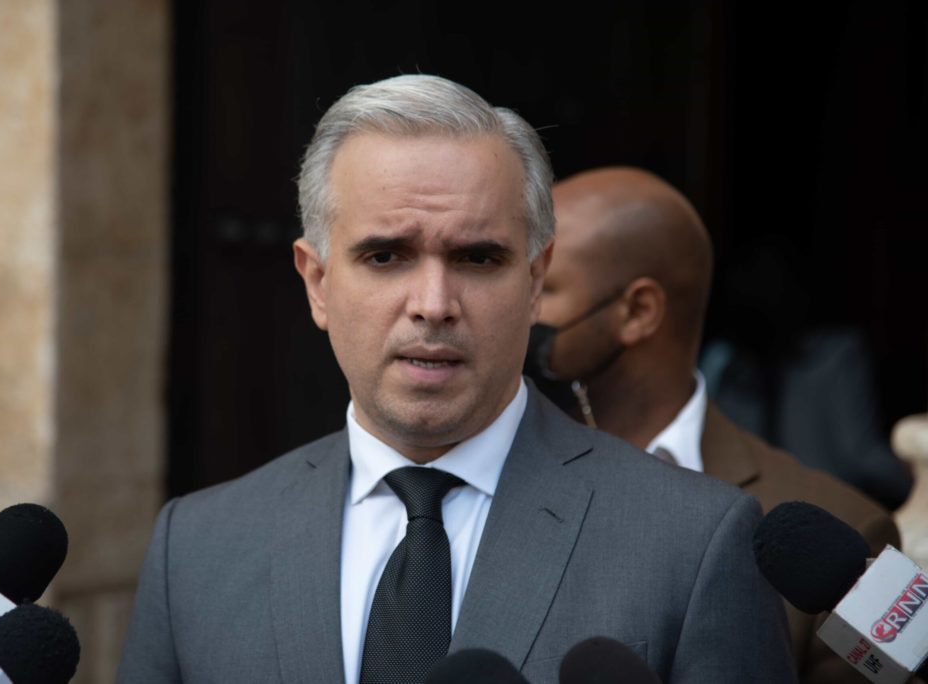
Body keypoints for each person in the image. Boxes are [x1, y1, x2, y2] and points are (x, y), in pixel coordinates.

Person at [118, 77, 795, 684]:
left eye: (477, 258)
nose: (434, 303)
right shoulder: (197, 548)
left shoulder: (693, 542)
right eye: (386, 256)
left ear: (535, 281)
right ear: (317, 282)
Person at [530, 166, 900, 684]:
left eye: (544, 287)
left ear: (638, 311)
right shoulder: (472, 473)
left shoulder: (846, 526)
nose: (518, 308)